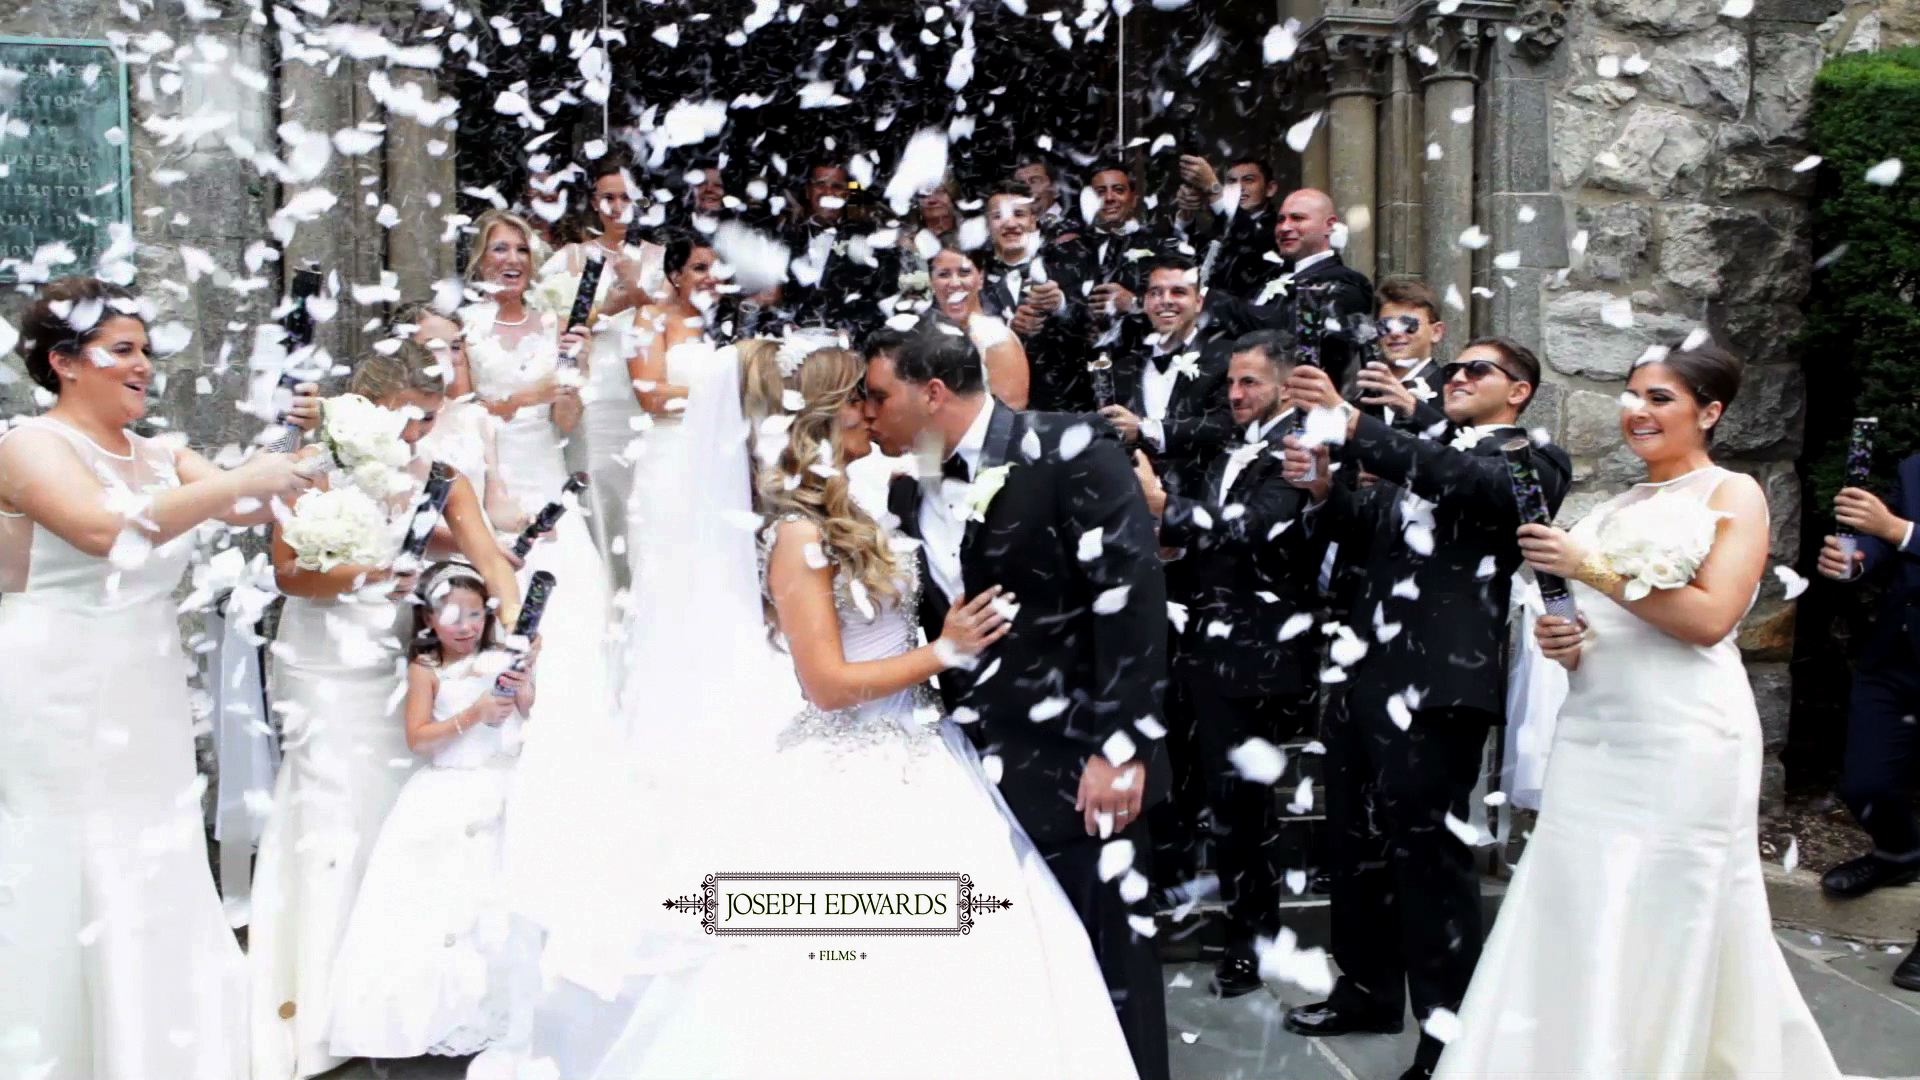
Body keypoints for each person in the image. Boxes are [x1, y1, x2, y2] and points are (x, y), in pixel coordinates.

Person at [545, 346, 1141, 1078]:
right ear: (823, 416)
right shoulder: (798, 534)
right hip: (855, 759)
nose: (870, 410)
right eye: (860, 397)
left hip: (923, 747)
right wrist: (944, 652)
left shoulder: (857, 508)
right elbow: (824, 683)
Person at [1434, 343, 1846, 1076]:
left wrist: (1586, 566)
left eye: (1660, 398)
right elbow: (1603, 625)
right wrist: (1565, 642)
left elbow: (1710, 620)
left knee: (1668, 901)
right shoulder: (1615, 506)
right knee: (1578, 896)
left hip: (1684, 732)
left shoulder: (1733, 493)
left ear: (1709, 412)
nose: (1638, 411)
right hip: (1595, 731)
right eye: (1632, 396)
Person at [0, 276, 314, 1080]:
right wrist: (236, 482)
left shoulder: (162, 452)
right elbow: (101, 530)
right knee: (75, 850)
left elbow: (246, 507)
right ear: (65, 361)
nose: (144, 365)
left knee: (153, 846)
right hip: (56, 684)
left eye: (146, 350)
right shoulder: (29, 445)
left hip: (145, 683)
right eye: (123, 349)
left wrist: (301, 444)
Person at [871, 330, 1173, 1080]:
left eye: (878, 396)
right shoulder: (909, 488)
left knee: (1114, 965)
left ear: (931, 392)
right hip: (973, 764)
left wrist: (1120, 751)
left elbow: (1132, 601)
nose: (868, 412)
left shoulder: (1071, 447)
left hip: (1081, 760)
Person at [1280, 337, 1570, 1080]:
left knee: (1428, 860)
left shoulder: (1532, 457)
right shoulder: (1418, 453)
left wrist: (1361, 426)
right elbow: (1357, 544)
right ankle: (1367, 991)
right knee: (1354, 846)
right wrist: (1324, 492)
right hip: (1362, 675)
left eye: (1477, 369)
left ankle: (1448, 1038)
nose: (1458, 377)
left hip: (1441, 686)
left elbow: (1479, 488)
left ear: (1519, 391)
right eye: (1454, 369)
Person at [249, 341, 521, 1080]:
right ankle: (311, 1008)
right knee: (332, 811)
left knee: (395, 815)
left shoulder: (439, 478)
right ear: (367, 406)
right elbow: (288, 572)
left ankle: (385, 998)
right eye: (408, 416)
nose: (417, 433)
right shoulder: (317, 464)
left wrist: (516, 619)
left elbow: (488, 558)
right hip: (322, 661)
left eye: (429, 418)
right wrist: (375, 573)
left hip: (392, 661)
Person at [1131, 329, 1321, 999]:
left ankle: (1251, 942)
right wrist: (1171, 543)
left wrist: (1167, 508)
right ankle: (1177, 895)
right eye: (1232, 382)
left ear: (1285, 385)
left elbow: (1255, 526)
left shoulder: (1300, 448)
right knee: (1189, 789)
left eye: (1250, 382)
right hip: (1198, 644)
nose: (1235, 394)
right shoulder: (1231, 446)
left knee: (1242, 810)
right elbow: (1214, 536)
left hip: (1254, 654)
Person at [327, 563, 538, 1060]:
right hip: (447, 789)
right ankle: (435, 1015)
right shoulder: (426, 669)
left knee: (499, 903)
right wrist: (473, 715)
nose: (465, 627)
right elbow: (418, 738)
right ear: (428, 617)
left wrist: (526, 681)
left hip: (504, 788)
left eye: (474, 615)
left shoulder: (501, 657)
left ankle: (500, 1011)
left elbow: (532, 713)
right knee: (437, 903)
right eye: (451, 616)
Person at [1814, 454, 1920, 991]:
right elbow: (1886, 538)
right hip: (1896, 658)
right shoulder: (1916, 465)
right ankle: (1899, 852)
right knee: (1865, 784)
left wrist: (1898, 531)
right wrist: (1858, 558)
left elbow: (1898, 529)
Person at [539, 157, 665, 588]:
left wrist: (640, 293)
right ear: (594, 202)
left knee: (642, 488)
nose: (617, 206)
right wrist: (608, 308)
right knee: (596, 481)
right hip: (591, 388)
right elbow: (552, 331)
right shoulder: (569, 259)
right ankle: (604, 584)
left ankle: (643, 586)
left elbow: (673, 322)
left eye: (626, 197)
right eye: (608, 197)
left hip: (640, 389)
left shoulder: (660, 258)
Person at [1096, 254, 1234, 495]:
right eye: (1156, 293)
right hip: (1130, 498)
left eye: (1178, 292)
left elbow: (1225, 426)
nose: (1165, 301)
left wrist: (1145, 429)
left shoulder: (1227, 357)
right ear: (1145, 302)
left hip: (1198, 500)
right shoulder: (1122, 367)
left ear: (1199, 302)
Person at [978, 179, 1093, 412]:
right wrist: (1008, 330)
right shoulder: (972, 274)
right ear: (988, 225)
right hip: (998, 408)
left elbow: (1098, 325)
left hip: (1065, 408)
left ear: (1033, 219)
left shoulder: (1067, 262)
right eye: (999, 216)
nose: (1010, 223)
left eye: (1019, 214)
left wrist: (1061, 304)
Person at [1267, 188, 1375, 385]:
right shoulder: (1268, 276)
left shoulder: (1347, 282)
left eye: (1297, 218)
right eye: (1280, 220)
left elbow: (1290, 328)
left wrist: (1221, 305)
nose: (1284, 227)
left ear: (1329, 225)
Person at [926, 246, 1031, 408]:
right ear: (931, 281)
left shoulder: (997, 340)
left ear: (981, 278)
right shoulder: (924, 335)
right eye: (944, 274)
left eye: (964, 273)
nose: (954, 283)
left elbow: (1010, 415)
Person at [1350, 277, 1452, 434]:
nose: (1395, 333)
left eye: (1408, 324)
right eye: (1385, 325)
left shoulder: (1453, 390)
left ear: (1436, 332)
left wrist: (1414, 408)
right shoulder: (1359, 392)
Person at [1174, 155, 1282, 302]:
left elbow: (1248, 240)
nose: (1239, 188)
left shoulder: (1278, 229)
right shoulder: (1219, 227)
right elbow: (1182, 260)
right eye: (1232, 182)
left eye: (1248, 180)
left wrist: (1213, 188)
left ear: (1270, 188)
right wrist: (1186, 214)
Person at [1013, 154, 1077, 243]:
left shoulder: (1072, 227)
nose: (1026, 189)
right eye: (1020, 183)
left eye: (1035, 181)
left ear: (1055, 188)